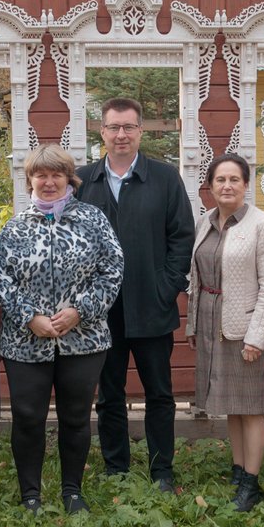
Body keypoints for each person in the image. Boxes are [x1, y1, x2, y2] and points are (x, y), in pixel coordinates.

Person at [0, 144, 123, 514]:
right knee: (28, 417)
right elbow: (2, 279)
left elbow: (112, 269)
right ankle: (30, 495)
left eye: (56, 175)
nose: (49, 182)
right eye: (41, 175)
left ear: (69, 179)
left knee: (76, 417)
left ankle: (72, 491)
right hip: (25, 342)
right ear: (30, 179)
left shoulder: (93, 220)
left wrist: (79, 311)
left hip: (83, 340)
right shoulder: (16, 227)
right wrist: (29, 317)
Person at [77, 97, 194, 492]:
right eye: (113, 127)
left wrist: (166, 288)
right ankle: (117, 468)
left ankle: (162, 471)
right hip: (100, 312)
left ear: (141, 131)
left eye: (129, 127)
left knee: (159, 393)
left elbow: (182, 237)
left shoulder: (164, 178)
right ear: (102, 132)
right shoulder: (83, 181)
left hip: (152, 306)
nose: (121, 134)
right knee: (108, 394)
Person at [186, 154, 264, 512]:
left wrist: (257, 336)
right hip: (212, 326)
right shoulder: (205, 221)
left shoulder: (262, 225)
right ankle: (239, 470)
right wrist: (193, 323)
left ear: (245, 184)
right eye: (220, 180)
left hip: (244, 329)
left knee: (251, 408)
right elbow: (196, 279)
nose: (227, 186)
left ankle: (251, 484)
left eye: (234, 180)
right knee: (231, 406)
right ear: (210, 187)